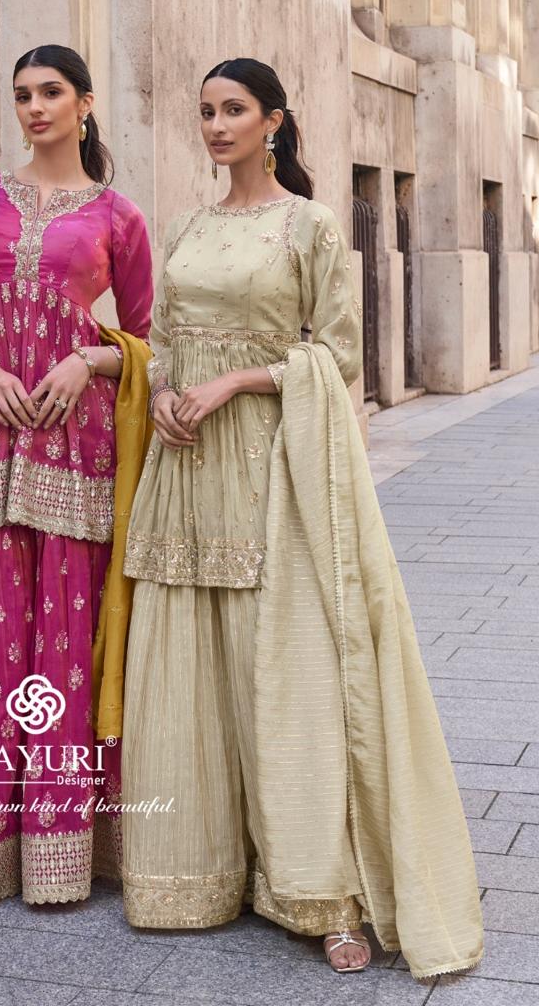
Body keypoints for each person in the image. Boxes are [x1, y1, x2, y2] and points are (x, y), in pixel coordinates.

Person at [120, 58, 483, 978]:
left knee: (285, 673)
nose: (216, 125)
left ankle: (321, 893)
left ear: (273, 122)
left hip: (271, 471)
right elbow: (162, 340)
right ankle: (201, 873)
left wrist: (237, 381)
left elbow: (340, 354)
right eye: (206, 111)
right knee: (193, 663)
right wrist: (162, 393)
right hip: (185, 471)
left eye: (234, 110)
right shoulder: (187, 226)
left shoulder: (310, 224)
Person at [0, 45, 154, 909]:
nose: (34, 107)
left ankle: (63, 848)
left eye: (51, 92)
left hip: (77, 447)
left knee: (64, 636)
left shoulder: (119, 216)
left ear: (85, 103)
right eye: (22, 94)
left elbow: (147, 340)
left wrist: (88, 361)